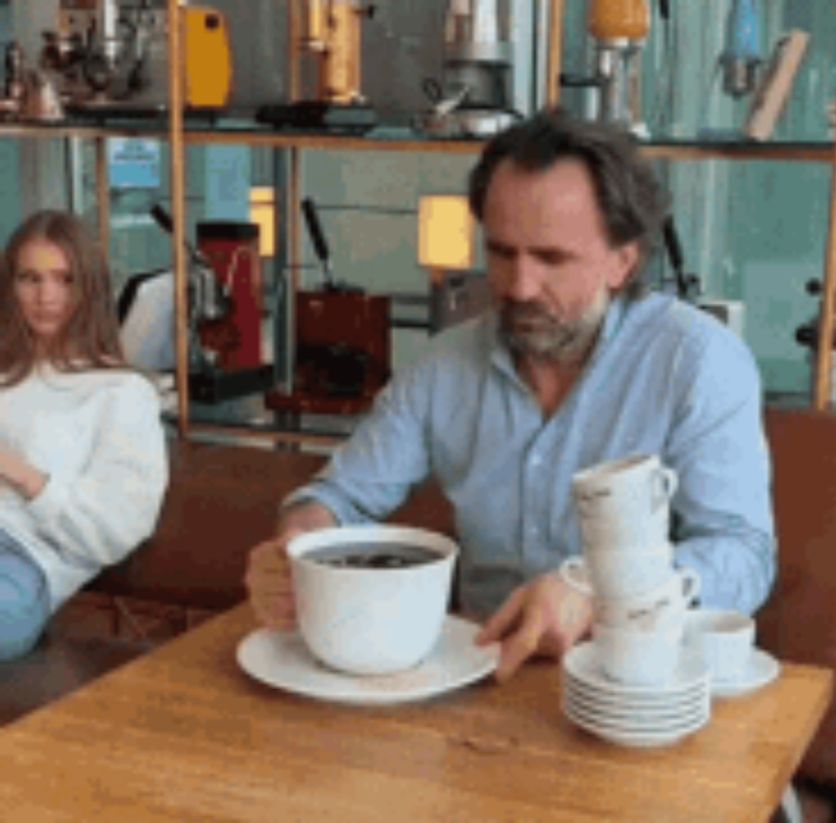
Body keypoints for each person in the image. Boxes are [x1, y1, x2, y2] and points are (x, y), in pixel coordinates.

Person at [245, 111, 775, 681]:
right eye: (501, 253)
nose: (519, 287)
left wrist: (597, 591)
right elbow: (340, 496)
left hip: (644, 687)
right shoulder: (442, 367)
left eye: (551, 259)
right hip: (483, 678)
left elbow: (743, 554)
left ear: (624, 260)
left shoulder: (697, 362)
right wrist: (296, 542)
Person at [0, 210, 168, 660]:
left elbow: (118, 531)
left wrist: (20, 474)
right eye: (29, 278)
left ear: (89, 288)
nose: (46, 296)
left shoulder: (122, 393)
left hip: (23, 560)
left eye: (64, 279)